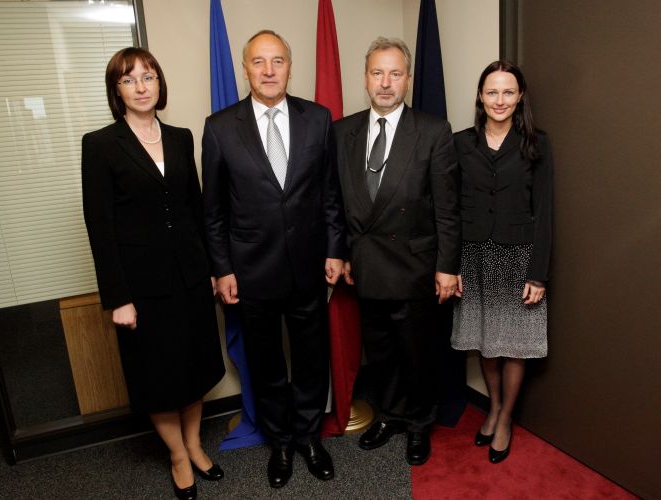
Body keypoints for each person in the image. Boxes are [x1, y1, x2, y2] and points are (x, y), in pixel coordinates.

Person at [201, 30, 345, 488]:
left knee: (311, 359)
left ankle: (308, 437)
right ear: (245, 69)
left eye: (277, 61)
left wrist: (335, 250)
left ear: (289, 66)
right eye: (259, 62)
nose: (268, 71)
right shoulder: (220, 127)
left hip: (309, 266)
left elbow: (330, 194)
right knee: (266, 364)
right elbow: (213, 211)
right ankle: (280, 442)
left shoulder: (318, 119)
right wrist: (222, 268)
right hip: (251, 271)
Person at [82, 48, 225, 500]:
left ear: (160, 84)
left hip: (190, 277)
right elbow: (100, 228)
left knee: (194, 367)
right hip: (141, 287)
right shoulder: (100, 145)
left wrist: (210, 268)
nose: (141, 87)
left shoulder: (181, 137)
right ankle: (178, 456)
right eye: (129, 80)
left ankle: (195, 445)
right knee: (158, 376)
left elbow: (195, 209)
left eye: (148, 77)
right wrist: (118, 297)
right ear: (117, 90)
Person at [335, 37, 461, 466]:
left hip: (415, 266)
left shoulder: (433, 131)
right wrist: (344, 253)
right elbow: (337, 201)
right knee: (382, 350)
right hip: (366, 265)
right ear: (365, 78)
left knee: (416, 352)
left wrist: (447, 267)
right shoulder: (343, 132)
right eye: (377, 73)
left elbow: (447, 208)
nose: (385, 83)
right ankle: (390, 415)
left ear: (408, 79)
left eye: (394, 73)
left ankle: (419, 423)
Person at [451, 61, 553, 464]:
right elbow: (451, 208)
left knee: (513, 345)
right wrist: (451, 265)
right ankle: (492, 407)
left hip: (518, 257)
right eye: (492, 92)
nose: (499, 100)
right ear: (480, 96)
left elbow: (544, 212)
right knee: (485, 342)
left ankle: (506, 418)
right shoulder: (461, 143)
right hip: (473, 256)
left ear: (520, 96)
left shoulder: (537, 143)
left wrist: (538, 274)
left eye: (508, 92)